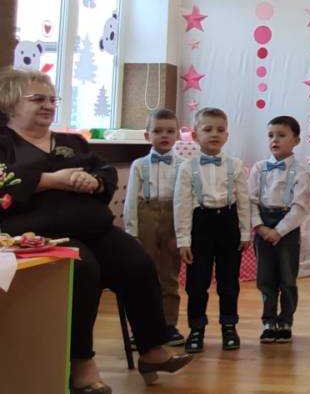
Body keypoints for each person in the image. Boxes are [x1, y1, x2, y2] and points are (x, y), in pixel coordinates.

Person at [0, 68, 191, 392]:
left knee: (138, 263)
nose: (48, 105)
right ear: (10, 102)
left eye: (52, 100)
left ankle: (151, 349)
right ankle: (80, 364)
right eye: (37, 99)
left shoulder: (71, 142)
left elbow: (104, 170)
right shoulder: (5, 144)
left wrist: (95, 181)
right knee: (83, 269)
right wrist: (51, 180)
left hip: (93, 227)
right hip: (39, 235)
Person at [174, 107, 251, 353]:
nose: (214, 134)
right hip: (201, 225)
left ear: (227, 136)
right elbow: (182, 204)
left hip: (228, 223)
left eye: (220, 130)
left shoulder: (235, 165)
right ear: (195, 135)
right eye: (208, 129)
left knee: (229, 282)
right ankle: (196, 329)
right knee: (197, 283)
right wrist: (183, 239)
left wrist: (245, 232)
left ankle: (229, 326)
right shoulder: (187, 167)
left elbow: (244, 201)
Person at [122, 108, 186, 347]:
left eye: (170, 131)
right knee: (143, 275)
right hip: (146, 216)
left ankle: (168, 325)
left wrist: (181, 234)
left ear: (178, 134)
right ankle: (142, 328)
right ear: (147, 135)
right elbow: (130, 200)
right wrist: (132, 233)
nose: (164, 135)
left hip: (173, 217)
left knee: (169, 275)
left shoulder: (184, 165)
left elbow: (186, 201)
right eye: (158, 131)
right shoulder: (139, 165)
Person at [249, 115, 310, 343]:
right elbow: (250, 200)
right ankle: (268, 321)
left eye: (281, 135)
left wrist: (279, 230)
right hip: (263, 224)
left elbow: (300, 207)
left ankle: (285, 321)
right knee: (265, 277)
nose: (275, 140)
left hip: (287, 226)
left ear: (296, 140)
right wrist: (259, 226)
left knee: (287, 277)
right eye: (271, 135)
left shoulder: (301, 171)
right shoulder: (259, 168)